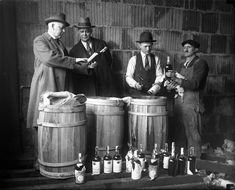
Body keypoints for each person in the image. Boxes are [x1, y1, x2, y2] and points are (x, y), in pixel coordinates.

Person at [26, 13, 93, 169]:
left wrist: (86, 68)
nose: (63, 31)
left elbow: (69, 65)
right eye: (61, 28)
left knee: (57, 124)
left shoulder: (60, 44)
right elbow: (51, 59)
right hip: (46, 87)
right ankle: (40, 161)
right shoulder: (40, 41)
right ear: (51, 26)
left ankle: (55, 160)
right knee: (41, 122)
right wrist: (75, 60)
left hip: (60, 88)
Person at [166, 39, 209, 158]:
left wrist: (177, 79)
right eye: (184, 47)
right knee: (179, 135)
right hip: (180, 105)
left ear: (196, 49)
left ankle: (195, 166)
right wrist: (171, 86)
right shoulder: (182, 64)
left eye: (189, 47)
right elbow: (179, 85)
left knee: (193, 136)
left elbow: (195, 84)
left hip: (192, 106)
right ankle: (181, 163)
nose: (185, 49)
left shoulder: (200, 63)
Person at [69, 17, 116, 97]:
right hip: (88, 87)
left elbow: (109, 61)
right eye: (82, 32)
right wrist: (87, 68)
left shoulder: (101, 44)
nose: (84, 34)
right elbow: (75, 71)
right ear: (78, 32)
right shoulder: (74, 51)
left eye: (87, 31)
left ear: (91, 31)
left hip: (104, 85)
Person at [125, 31, 163, 96]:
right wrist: (135, 85)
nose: (148, 49)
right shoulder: (133, 59)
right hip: (137, 94)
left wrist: (156, 85)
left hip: (151, 94)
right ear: (140, 46)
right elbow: (128, 77)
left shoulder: (156, 59)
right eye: (145, 46)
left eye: (150, 46)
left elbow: (159, 75)